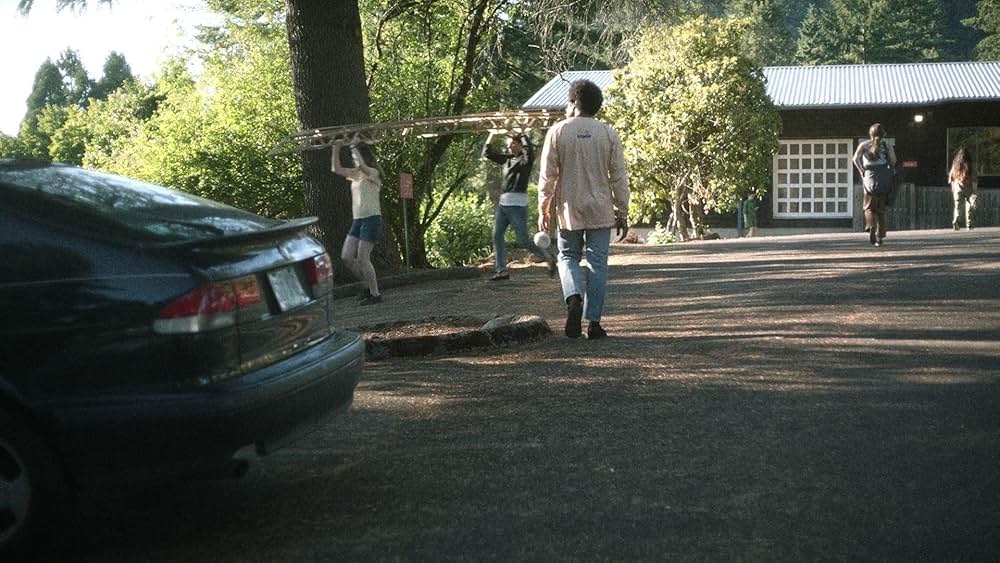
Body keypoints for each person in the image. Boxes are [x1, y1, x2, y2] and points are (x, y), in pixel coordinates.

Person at [538, 79, 630, 340]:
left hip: (570, 209)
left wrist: (544, 208)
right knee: (598, 264)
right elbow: (619, 176)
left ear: (575, 102)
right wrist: (622, 211)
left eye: (569, 101)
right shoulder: (608, 133)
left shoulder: (558, 131)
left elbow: (547, 176)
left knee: (567, 256)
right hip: (601, 209)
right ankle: (594, 324)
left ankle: (573, 297)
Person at [481, 131, 556, 281]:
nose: (510, 146)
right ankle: (501, 270)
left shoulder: (525, 161)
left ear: (521, 146)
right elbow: (487, 154)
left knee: (523, 239)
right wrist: (492, 135)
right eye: (509, 144)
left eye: (514, 144)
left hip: (517, 204)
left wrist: (522, 134)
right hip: (504, 204)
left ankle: (548, 257)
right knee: (497, 235)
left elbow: (530, 152)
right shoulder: (508, 160)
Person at [331, 140, 383, 305]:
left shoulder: (373, 173)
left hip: (372, 218)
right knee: (346, 257)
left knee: (362, 257)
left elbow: (361, 165)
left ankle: (375, 294)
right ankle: (368, 286)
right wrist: (336, 148)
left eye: (356, 157)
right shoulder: (355, 174)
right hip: (358, 220)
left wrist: (352, 145)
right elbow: (336, 169)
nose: (354, 161)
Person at [852, 123, 897, 247]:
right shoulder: (887, 145)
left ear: (870, 134)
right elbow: (893, 160)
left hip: (869, 177)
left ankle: (871, 225)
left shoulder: (863, 145)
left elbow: (855, 159)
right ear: (883, 135)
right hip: (883, 178)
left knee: (869, 208)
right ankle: (880, 237)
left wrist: (862, 171)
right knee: (881, 210)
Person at [948, 146, 978, 231]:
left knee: (957, 207)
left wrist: (953, 189)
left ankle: (956, 221)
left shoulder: (955, 164)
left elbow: (951, 178)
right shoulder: (970, 165)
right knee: (969, 207)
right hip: (969, 189)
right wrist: (975, 192)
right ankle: (969, 225)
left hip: (957, 188)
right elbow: (974, 180)